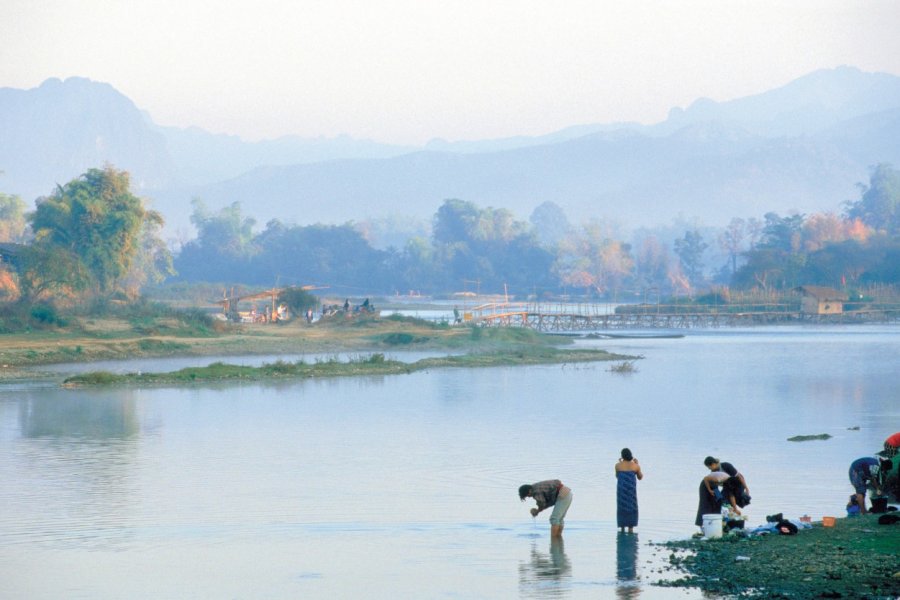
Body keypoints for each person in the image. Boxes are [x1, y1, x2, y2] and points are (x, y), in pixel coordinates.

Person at [615, 448, 643, 533]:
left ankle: (622, 528)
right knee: (631, 507)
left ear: (622, 456)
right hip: (631, 491)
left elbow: (617, 476)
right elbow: (640, 477)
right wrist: (637, 464)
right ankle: (631, 529)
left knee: (622, 507)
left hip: (621, 490)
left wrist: (620, 463)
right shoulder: (635, 466)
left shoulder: (617, 465)